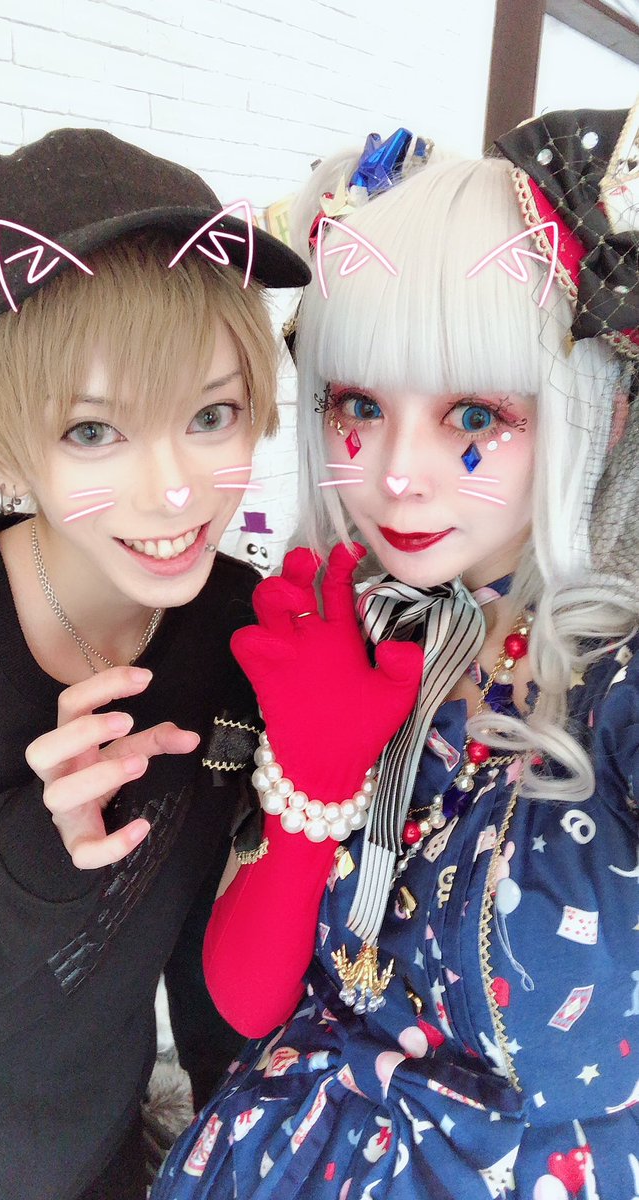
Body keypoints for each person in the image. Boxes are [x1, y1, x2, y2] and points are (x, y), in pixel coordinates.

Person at [151, 105, 639, 1199]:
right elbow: (244, 1003)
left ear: (597, 412)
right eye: (359, 405)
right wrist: (308, 790)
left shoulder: (616, 689)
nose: (395, 475)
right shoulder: (351, 630)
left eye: (474, 414)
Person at [0, 127, 309, 1200]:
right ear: (5, 438)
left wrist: (235, 1136)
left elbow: (208, 934)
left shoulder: (245, 629)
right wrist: (38, 855)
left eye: (211, 415)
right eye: (94, 432)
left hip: (114, 1149)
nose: (174, 491)